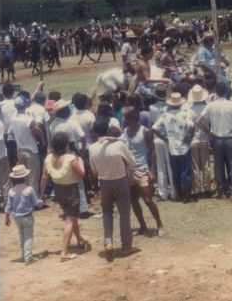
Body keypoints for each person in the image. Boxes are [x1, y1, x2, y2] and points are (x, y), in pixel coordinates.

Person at [89, 120, 137, 260]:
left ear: (94, 132)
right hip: (120, 180)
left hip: (104, 182)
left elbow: (94, 170)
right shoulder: (119, 145)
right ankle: (126, 246)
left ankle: (108, 241)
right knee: (124, 214)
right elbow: (132, 162)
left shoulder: (92, 148)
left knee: (107, 213)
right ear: (109, 129)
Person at [40, 133, 90, 262]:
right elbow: (81, 175)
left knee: (71, 217)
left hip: (58, 191)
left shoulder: (48, 158)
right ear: (66, 144)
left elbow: (44, 177)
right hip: (71, 191)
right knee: (70, 220)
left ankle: (79, 239)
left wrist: (41, 194)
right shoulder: (71, 158)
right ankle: (65, 252)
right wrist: (82, 162)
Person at [122, 107, 165, 235]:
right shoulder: (125, 131)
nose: (126, 120)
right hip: (130, 171)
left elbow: (152, 152)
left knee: (148, 200)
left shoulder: (145, 132)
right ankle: (142, 226)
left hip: (143, 169)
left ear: (134, 117)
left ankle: (159, 224)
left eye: (127, 117)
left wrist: (152, 171)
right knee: (133, 201)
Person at [198, 82, 232, 199]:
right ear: (226, 91)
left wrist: (208, 132)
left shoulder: (210, 105)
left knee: (218, 166)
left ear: (216, 92)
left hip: (216, 138)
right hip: (230, 137)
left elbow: (199, 120)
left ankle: (221, 190)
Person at [152, 93, 195, 203]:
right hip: (184, 147)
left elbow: (154, 127)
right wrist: (189, 138)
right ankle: (186, 195)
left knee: (175, 171)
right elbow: (192, 126)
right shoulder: (185, 114)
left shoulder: (165, 115)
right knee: (185, 172)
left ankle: (179, 194)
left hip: (172, 146)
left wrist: (165, 138)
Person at [4, 164, 43, 265]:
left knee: (21, 236)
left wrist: (7, 218)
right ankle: (28, 257)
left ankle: (23, 255)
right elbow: (36, 203)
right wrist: (41, 202)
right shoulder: (29, 189)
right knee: (28, 237)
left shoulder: (11, 191)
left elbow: (8, 206)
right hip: (27, 217)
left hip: (16, 217)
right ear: (25, 177)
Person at [7, 96, 44, 195]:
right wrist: (42, 140)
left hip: (20, 150)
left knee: (25, 176)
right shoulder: (28, 119)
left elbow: (9, 132)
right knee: (33, 177)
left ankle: (26, 197)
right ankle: (34, 199)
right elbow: (37, 131)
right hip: (32, 150)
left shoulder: (13, 119)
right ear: (25, 105)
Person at [186, 85, 211, 196]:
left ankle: (197, 188)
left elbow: (189, 125)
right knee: (205, 165)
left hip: (194, 140)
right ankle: (206, 187)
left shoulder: (189, 110)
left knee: (195, 166)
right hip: (204, 139)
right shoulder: (207, 108)